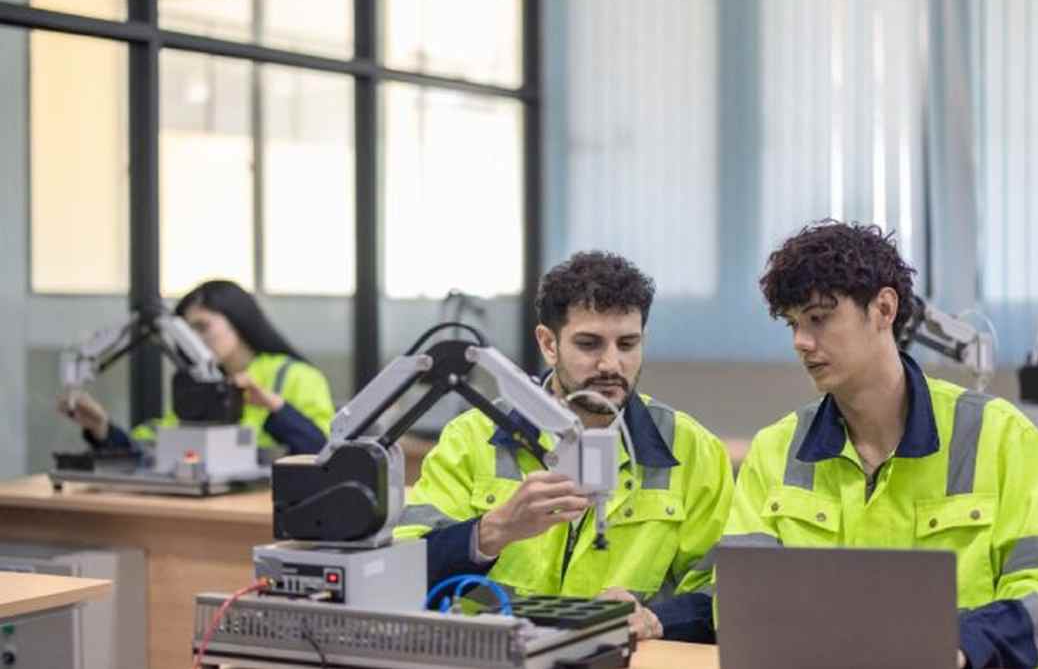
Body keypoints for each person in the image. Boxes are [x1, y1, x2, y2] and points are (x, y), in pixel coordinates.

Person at [718, 222, 1038, 668]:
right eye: (793, 323)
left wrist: (961, 647)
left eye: (818, 318)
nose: (801, 341)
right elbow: (739, 603)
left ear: (884, 308)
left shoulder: (1005, 438)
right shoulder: (775, 451)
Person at [393, 251, 734, 643]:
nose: (611, 364)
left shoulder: (693, 450)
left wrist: (657, 619)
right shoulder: (470, 439)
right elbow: (403, 570)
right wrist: (493, 530)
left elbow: (726, 593)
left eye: (627, 344)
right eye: (589, 344)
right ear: (548, 344)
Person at [58, 279, 335, 456]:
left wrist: (276, 408)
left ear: (238, 321)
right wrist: (102, 428)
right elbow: (152, 448)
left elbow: (324, 452)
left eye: (203, 327)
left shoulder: (298, 377)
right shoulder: (200, 383)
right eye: (187, 331)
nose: (194, 340)